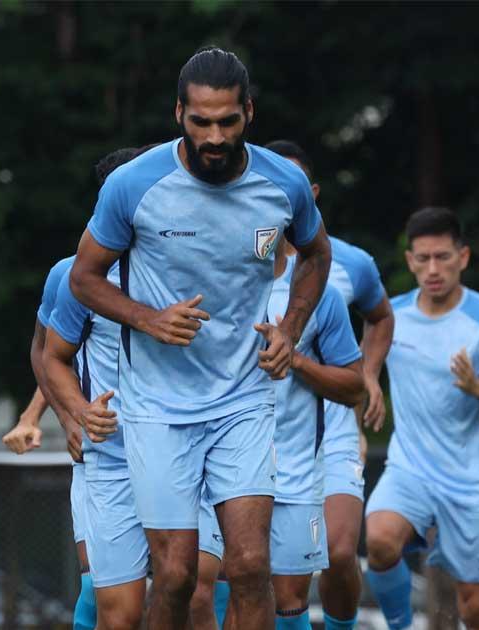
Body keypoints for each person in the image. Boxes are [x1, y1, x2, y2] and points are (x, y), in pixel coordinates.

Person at [68, 47, 331, 630]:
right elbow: (83, 278)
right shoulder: (133, 185)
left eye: (228, 121)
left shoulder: (282, 182)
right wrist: (147, 319)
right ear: (178, 114)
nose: (215, 137)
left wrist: (290, 329)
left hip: (243, 398)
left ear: (249, 113)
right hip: (157, 406)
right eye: (201, 121)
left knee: (250, 565)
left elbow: (317, 254)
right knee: (176, 574)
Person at [365, 207, 479, 630]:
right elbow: (360, 371)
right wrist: (367, 389)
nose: (433, 269)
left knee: (474, 606)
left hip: (470, 480)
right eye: (423, 259)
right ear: (410, 261)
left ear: (463, 257)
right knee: (379, 540)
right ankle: (402, 626)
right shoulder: (389, 316)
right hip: (410, 470)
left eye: (442, 257)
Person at [1, 146, 145, 630]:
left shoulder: (180, 267)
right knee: (98, 589)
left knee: (198, 585)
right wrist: (66, 419)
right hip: (105, 453)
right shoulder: (72, 275)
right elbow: (49, 352)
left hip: (177, 447)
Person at [191, 234, 365, 630]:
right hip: (216, 465)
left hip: (292, 471)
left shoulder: (321, 297)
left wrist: (296, 360)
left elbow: (355, 387)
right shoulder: (199, 288)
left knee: (287, 602)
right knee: (202, 588)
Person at [264, 140, 394, 630]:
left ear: (311, 193)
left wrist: (370, 375)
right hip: (260, 433)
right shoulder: (237, 267)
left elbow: (380, 318)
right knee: (249, 575)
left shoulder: (348, 263)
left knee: (339, 553)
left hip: (330, 429)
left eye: (292, 185)